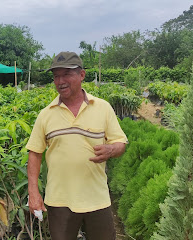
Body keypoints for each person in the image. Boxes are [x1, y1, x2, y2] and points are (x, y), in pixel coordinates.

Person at [26, 52, 128, 240]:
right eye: (56, 76)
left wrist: (111, 149)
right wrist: (33, 192)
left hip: (97, 198)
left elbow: (120, 142)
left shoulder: (103, 108)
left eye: (66, 74)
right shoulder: (46, 114)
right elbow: (34, 153)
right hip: (59, 201)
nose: (60, 81)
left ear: (82, 75)